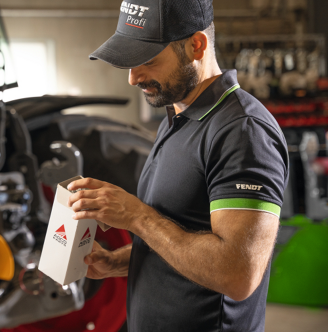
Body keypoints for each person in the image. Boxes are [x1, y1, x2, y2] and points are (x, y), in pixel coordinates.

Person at [67, 0, 289, 331]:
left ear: (196, 45)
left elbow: (237, 273)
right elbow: (184, 230)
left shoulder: (243, 132)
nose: (133, 78)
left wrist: (136, 217)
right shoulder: (177, 116)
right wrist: (119, 262)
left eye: (147, 61)